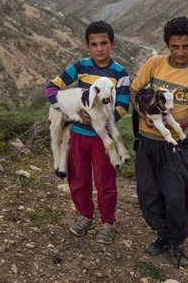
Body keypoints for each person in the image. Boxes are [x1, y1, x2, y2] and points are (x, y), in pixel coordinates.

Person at [130, 16, 188, 267]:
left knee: (177, 195)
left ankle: (177, 241)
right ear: (167, 45)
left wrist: (168, 122)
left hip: (173, 146)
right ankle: (163, 236)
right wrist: (145, 115)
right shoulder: (154, 64)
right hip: (147, 141)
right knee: (150, 192)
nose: (180, 52)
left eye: (185, 46)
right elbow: (134, 91)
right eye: (175, 46)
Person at [45, 20, 130, 245]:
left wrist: (98, 117)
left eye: (104, 43)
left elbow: (122, 106)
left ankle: (108, 222)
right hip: (78, 137)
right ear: (87, 46)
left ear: (113, 44)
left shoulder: (120, 73)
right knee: (78, 179)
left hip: (103, 139)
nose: (99, 48)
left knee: (106, 181)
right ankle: (85, 215)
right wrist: (66, 108)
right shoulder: (80, 67)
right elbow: (51, 88)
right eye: (94, 44)